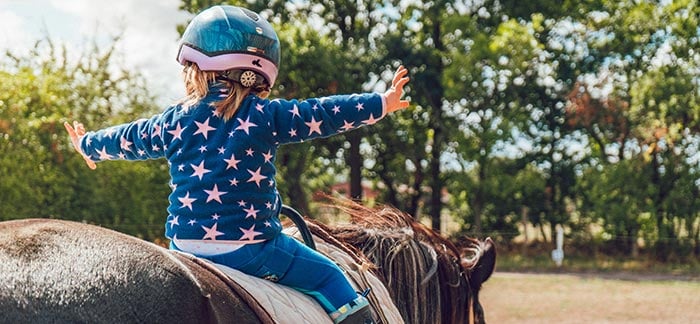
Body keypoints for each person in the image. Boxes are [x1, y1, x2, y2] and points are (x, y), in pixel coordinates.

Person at [64, 5, 409, 324]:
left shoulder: (173, 121)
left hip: (183, 246)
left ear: (195, 68)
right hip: (251, 249)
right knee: (330, 276)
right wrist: (382, 102)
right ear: (259, 74)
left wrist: (89, 145)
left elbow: (131, 138)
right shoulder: (266, 115)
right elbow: (322, 113)